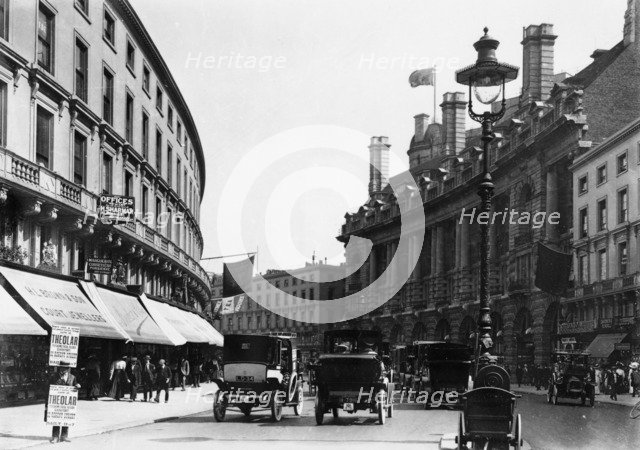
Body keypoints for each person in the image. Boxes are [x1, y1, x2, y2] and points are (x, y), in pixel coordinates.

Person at [48, 367, 81, 443]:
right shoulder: (54, 376)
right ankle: (55, 436)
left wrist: (78, 386)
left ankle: (64, 436)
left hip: (67, 402)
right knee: (56, 417)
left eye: (65, 368)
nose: (63, 370)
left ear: (68, 369)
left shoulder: (72, 377)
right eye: (62, 368)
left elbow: (75, 385)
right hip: (57, 401)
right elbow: (49, 386)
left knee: (66, 417)